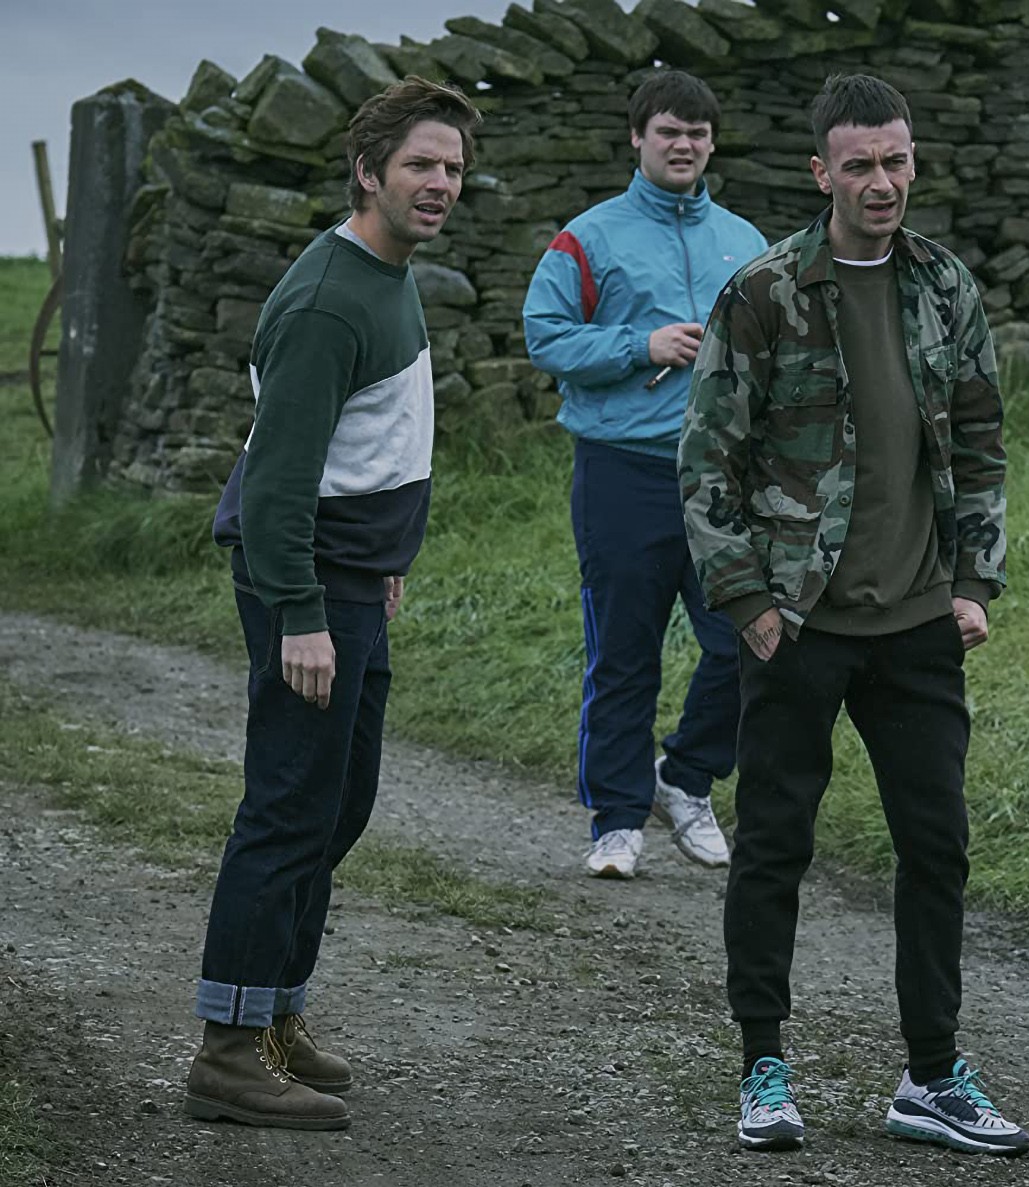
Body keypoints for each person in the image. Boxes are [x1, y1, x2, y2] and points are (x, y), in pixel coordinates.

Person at [679, 73, 1028, 1157]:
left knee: (937, 846)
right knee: (773, 844)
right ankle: (763, 1066)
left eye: (896, 160)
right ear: (820, 172)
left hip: (918, 624)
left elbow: (981, 440)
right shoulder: (764, 291)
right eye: (861, 165)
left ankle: (931, 1073)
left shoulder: (944, 283)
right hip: (798, 622)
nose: (882, 182)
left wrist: (974, 582)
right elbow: (707, 461)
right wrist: (747, 600)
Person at [189, 77, 481, 1130]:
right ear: (367, 171)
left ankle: (275, 1012)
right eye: (420, 165)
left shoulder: (389, 272)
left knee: (338, 799)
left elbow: (367, 439)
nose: (439, 183)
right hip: (304, 583)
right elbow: (276, 482)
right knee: (287, 802)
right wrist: (302, 611)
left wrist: (382, 552)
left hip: (352, 574)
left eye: (452, 167)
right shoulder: (325, 300)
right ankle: (227, 1050)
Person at [524, 70, 766, 878]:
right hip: (621, 470)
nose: (683, 145)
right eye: (669, 131)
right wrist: (641, 345)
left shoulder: (745, 241)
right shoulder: (588, 238)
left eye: (697, 132)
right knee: (625, 653)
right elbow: (545, 336)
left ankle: (685, 778)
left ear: (712, 143)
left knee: (751, 640)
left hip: (724, 476)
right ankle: (617, 821)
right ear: (637, 138)